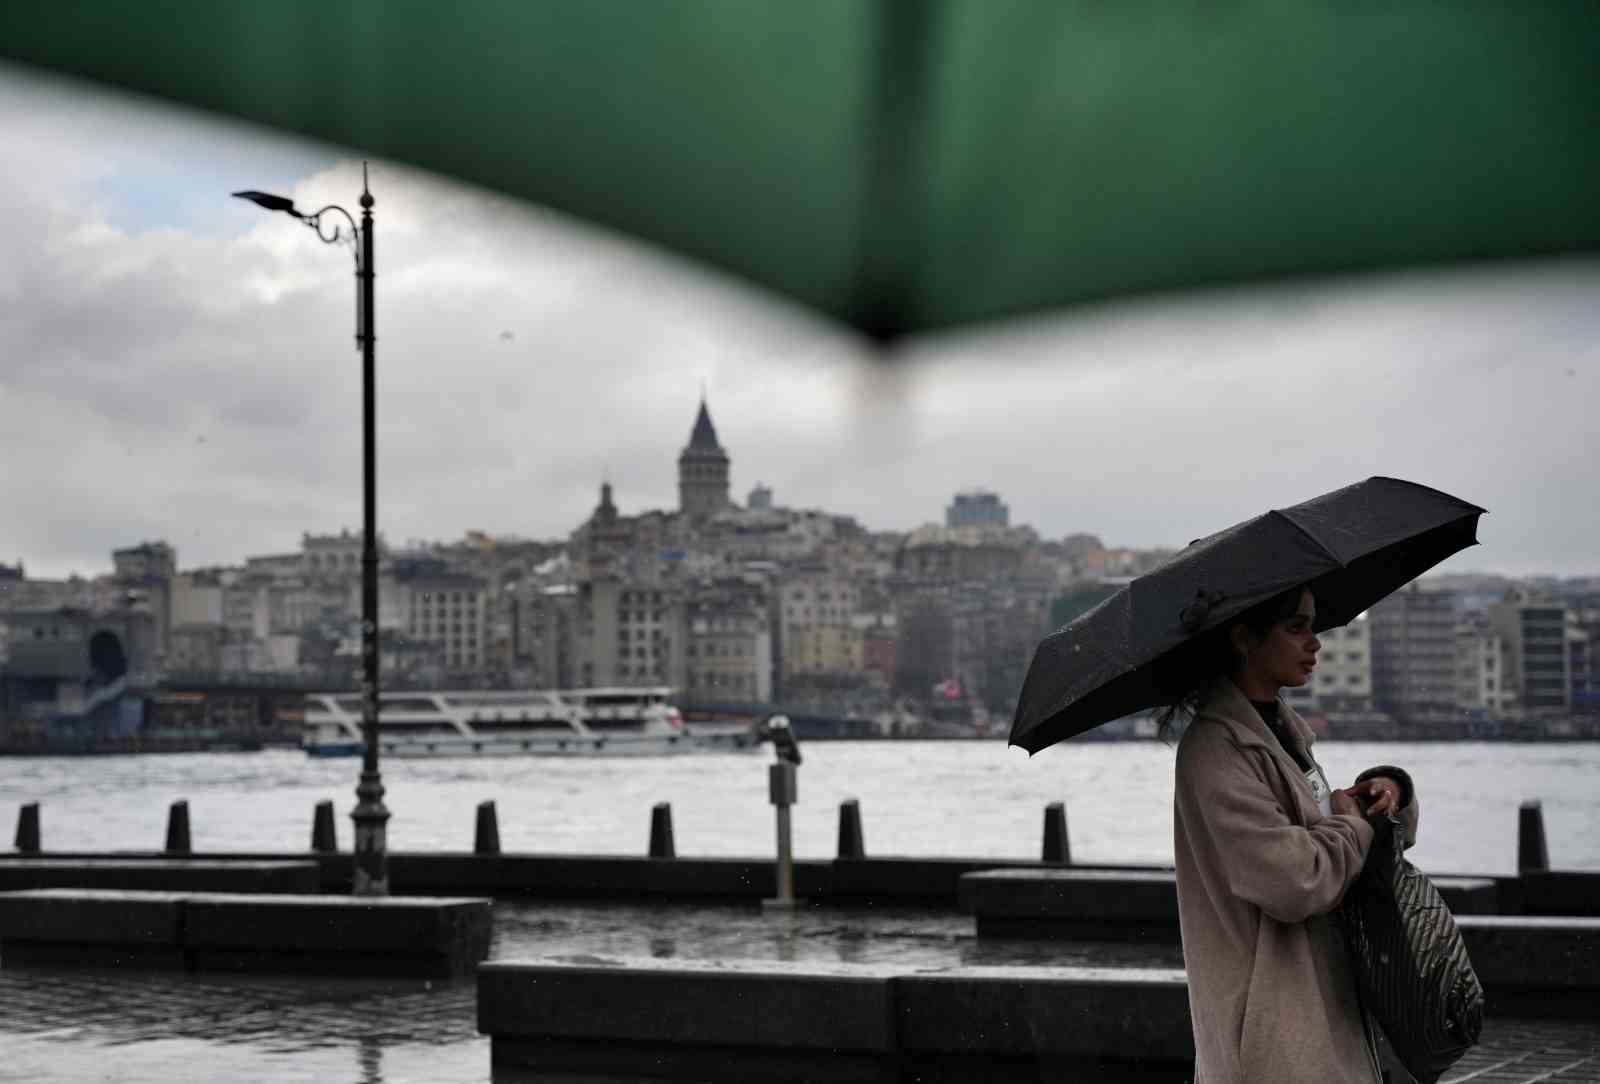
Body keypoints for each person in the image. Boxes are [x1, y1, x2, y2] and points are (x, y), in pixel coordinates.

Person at [1157, 585, 1419, 1084]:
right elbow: (1292, 879)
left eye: (1313, 626)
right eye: (1296, 627)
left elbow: (1324, 834)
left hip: (1321, 1002)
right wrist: (1354, 824)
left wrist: (1382, 795)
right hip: (1272, 1026)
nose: (1314, 643)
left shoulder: (1282, 732)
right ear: (1243, 638)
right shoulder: (1217, 750)